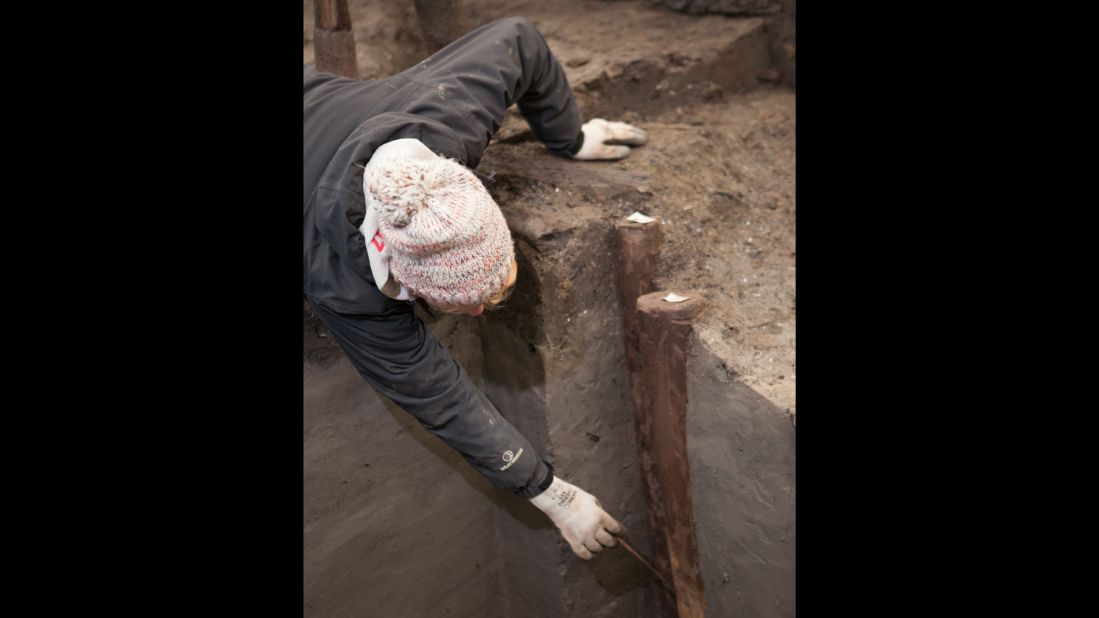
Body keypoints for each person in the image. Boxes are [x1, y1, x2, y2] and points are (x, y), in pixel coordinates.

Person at [303, 16, 646, 560]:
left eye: (499, 288)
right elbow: (434, 391)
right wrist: (549, 493)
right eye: (469, 304)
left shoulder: (449, 115)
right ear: (404, 280)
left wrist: (570, 137)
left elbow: (521, 37)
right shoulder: (343, 286)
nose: (486, 311)